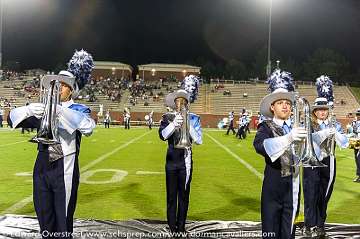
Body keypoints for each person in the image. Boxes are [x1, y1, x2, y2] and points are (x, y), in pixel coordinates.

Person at [9, 50, 95, 238]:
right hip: (42, 163)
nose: (57, 89)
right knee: (44, 216)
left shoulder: (78, 109)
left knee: (63, 219)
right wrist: (28, 109)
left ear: (71, 90)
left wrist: (58, 111)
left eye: (62, 86)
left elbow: (88, 127)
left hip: (65, 165)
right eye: (55, 85)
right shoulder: (44, 108)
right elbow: (11, 119)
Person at [253, 69, 304, 239]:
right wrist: (289, 138)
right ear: (272, 107)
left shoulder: (298, 127)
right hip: (273, 187)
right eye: (280, 102)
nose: (285, 106)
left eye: (288, 103)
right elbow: (261, 146)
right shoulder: (265, 127)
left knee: (289, 233)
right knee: (270, 232)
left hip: (293, 187)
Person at [303, 75, 348, 238]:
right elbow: (310, 139)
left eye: (325, 109)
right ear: (315, 111)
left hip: (329, 162)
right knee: (310, 194)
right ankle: (308, 225)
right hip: (312, 163)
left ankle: (320, 224)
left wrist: (337, 133)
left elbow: (344, 143)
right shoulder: (309, 123)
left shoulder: (334, 124)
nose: (322, 112)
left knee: (324, 195)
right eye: (319, 109)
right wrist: (324, 132)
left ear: (327, 111)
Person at [159, 75, 202, 235]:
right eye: (178, 101)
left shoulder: (194, 118)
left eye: (183, 101)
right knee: (171, 197)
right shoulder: (167, 118)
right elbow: (162, 136)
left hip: (186, 162)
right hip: (171, 161)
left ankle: (181, 226)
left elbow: (199, 140)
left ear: (187, 103)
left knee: (183, 196)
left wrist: (187, 124)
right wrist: (173, 124)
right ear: (174, 103)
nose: (180, 104)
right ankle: (171, 227)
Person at [351, 109, 360, 183]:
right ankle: (359, 175)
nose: (358, 116)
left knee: (359, 159)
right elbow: (354, 132)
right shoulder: (355, 123)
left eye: (359, 114)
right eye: (357, 114)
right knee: (357, 159)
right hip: (356, 142)